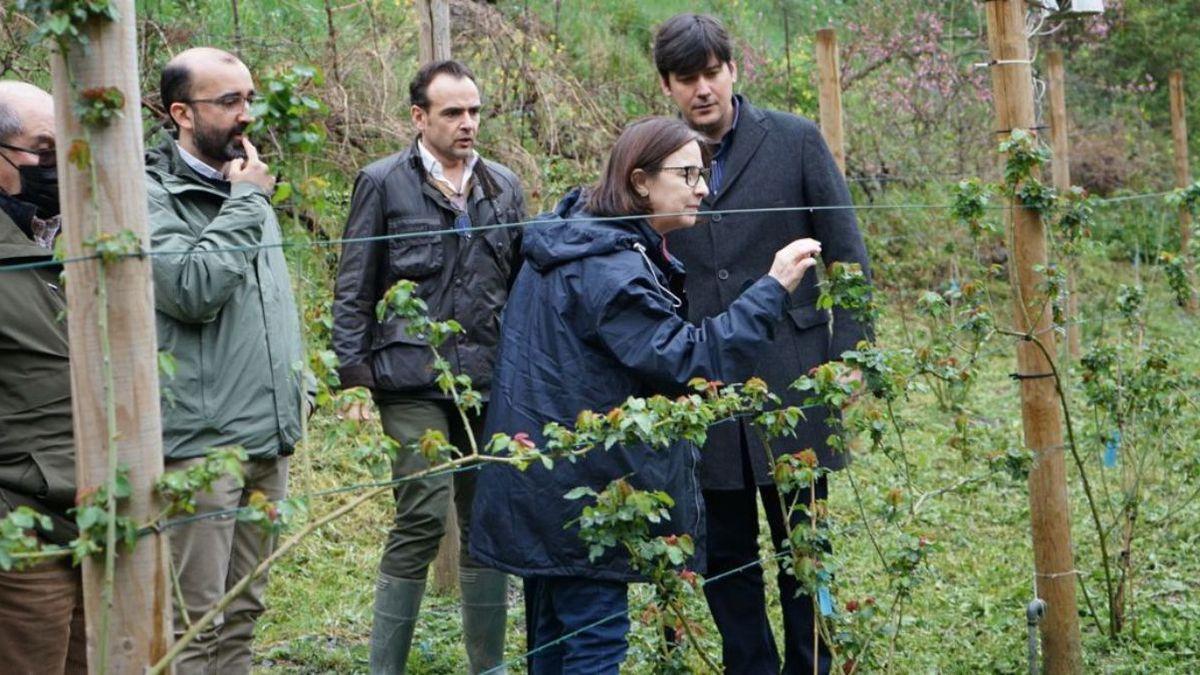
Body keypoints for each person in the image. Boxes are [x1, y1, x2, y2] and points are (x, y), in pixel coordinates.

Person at [469, 116, 822, 674]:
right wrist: (773, 288)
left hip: (539, 480)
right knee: (593, 642)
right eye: (687, 174)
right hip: (582, 493)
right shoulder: (609, 270)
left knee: (553, 639)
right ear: (639, 182)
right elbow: (691, 360)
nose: (702, 187)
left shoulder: (573, 240)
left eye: (703, 173)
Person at [652, 14, 873, 674]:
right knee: (726, 553)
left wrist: (851, 355)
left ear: (733, 69)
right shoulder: (653, 158)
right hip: (704, 381)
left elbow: (849, 257)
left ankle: (815, 664)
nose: (702, 90)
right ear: (667, 85)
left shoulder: (796, 141)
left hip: (796, 374)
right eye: (686, 78)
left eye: (712, 73)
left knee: (805, 544)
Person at [332, 59, 525, 674]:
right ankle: (384, 668)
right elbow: (354, 285)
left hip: (488, 377)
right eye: (452, 113)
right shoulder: (383, 183)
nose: (467, 124)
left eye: (474, 111)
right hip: (410, 377)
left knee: (485, 519)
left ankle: (487, 666)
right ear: (419, 117)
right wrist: (353, 375)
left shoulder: (503, 186)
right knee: (421, 509)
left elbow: (520, 285)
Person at [146, 47, 307, 675]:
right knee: (196, 622)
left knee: (244, 612)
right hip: (201, 445)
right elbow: (189, 290)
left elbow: (269, 302)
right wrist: (246, 202)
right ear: (181, 112)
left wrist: (300, 390)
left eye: (250, 98)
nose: (247, 115)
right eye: (229, 102)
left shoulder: (245, 179)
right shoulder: (149, 190)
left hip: (269, 435)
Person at [0, 80, 87, 675]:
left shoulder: (73, 238)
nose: (55, 166)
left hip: (96, 514)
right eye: (43, 149)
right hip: (20, 524)